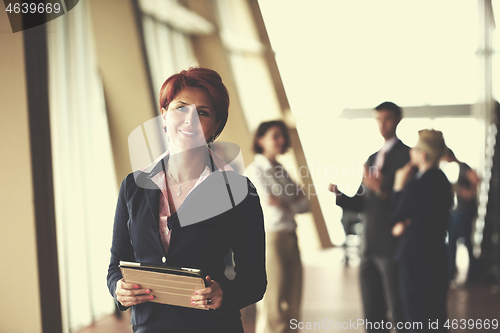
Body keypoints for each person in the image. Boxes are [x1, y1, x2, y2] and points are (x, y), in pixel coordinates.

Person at [107, 67, 267, 333]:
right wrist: (118, 289)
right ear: (164, 116)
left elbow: (254, 280)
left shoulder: (238, 190)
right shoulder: (133, 186)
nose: (190, 120)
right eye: (181, 108)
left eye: (203, 112)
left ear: (215, 125)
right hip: (150, 327)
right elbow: (116, 263)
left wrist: (224, 294)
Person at [329, 102, 409, 332]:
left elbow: (405, 202)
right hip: (369, 241)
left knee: (396, 303)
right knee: (371, 305)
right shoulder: (373, 157)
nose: (382, 125)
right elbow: (363, 202)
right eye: (378, 119)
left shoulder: (406, 156)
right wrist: (341, 195)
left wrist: (381, 189)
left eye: (387, 119)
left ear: (397, 120)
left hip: (391, 241)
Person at [246, 120, 309, 333]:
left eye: (283, 136)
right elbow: (271, 206)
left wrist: (284, 202)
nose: (281, 140)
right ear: (260, 140)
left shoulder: (281, 170)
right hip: (270, 239)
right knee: (272, 303)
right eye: (276, 136)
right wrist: (292, 199)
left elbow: (305, 205)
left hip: (291, 236)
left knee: (294, 301)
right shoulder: (254, 171)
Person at [391, 129, 452, 332]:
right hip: (436, 257)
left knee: (415, 318)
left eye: (415, 148)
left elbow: (396, 214)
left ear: (423, 155)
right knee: (435, 318)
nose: (411, 152)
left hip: (415, 259)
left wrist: (399, 187)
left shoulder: (418, 183)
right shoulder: (442, 181)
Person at [442, 149, 479, 283]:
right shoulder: (460, 168)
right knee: (456, 241)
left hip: (465, 211)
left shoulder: (464, 167)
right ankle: (453, 271)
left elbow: (476, 179)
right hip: (460, 210)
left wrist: (468, 193)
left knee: (463, 241)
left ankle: (469, 274)